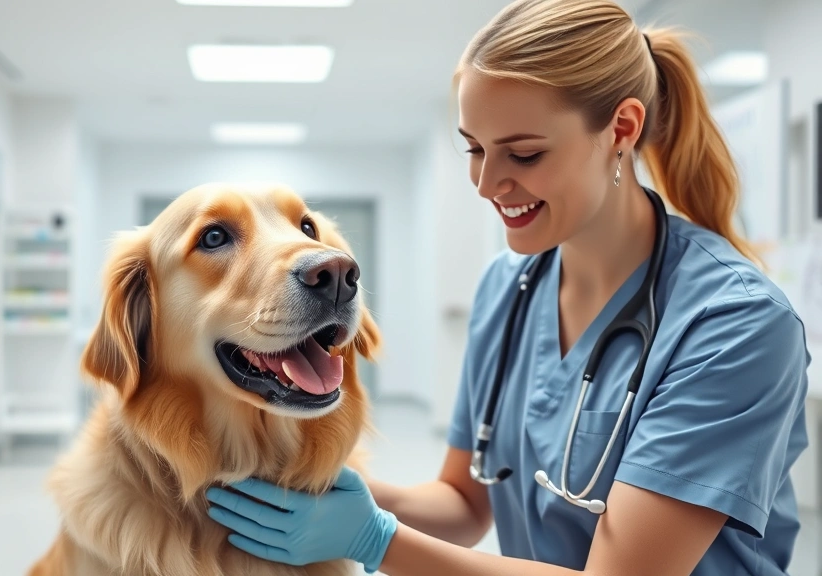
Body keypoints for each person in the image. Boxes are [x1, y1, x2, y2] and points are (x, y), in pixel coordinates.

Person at [204, 0, 811, 574]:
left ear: (622, 129)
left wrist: (374, 539)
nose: (487, 183)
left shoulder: (735, 324)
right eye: (474, 148)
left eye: (523, 154)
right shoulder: (508, 287)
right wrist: (306, 482)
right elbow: (464, 505)